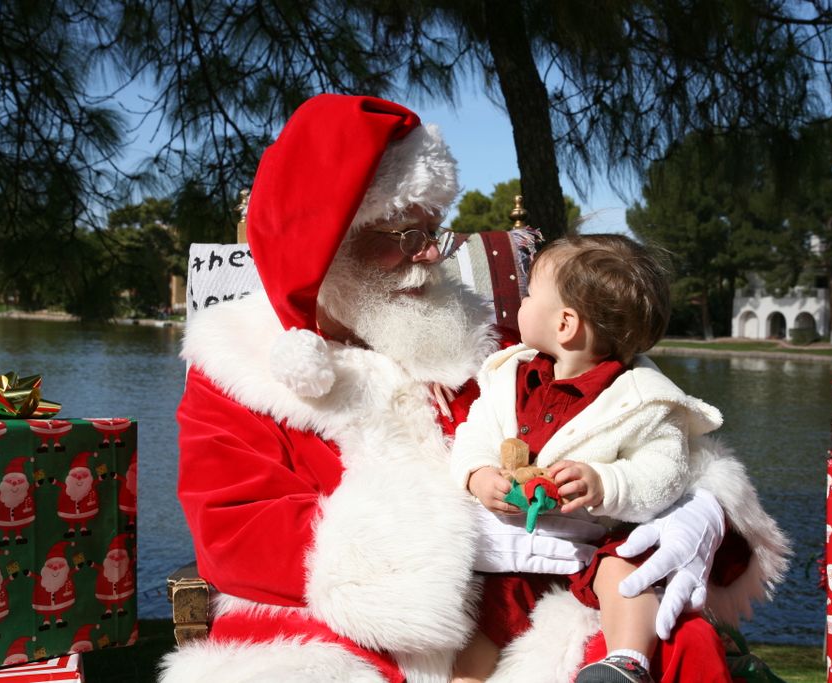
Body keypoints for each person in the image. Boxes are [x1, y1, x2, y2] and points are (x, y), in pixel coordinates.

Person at [160, 94, 790, 683]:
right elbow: (236, 533)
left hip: (529, 602)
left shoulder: (484, 345)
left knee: (678, 643)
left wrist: (700, 507)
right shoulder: (237, 368)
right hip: (346, 621)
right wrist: (451, 536)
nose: (430, 256)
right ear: (328, 242)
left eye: (432, 231)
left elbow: (617, 412)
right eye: (404, 236)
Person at [450, 234, 724, 683]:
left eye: (529, 294)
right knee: (469, 650)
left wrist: (605, 483)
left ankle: (625, 662)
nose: (519, 302)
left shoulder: (643, 400)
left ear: (565, 325)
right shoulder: (507, 377)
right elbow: (474, 434)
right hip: (499, 560)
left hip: (582, 558)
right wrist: (479, 475)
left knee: (627, 573)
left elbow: (664, 471)